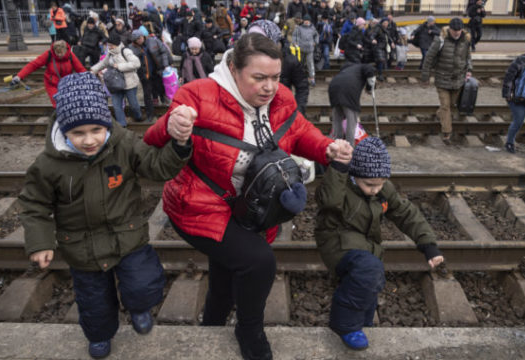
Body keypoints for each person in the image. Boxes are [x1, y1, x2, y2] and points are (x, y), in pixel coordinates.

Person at [143, 33, 349, 360]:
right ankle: (249, 331)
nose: (270, 87)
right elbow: (151, 139)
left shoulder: (281, 98)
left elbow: (299, 132)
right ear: (234, 69)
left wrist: (327, 148)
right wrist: (174, 125)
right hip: (199, 205)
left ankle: (211, 325)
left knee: (227, 271)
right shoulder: (197, 94)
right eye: (259, 78)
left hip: (251, 208)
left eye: (275, 77)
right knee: (258, 262)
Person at [19, 72, 193, 360]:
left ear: (106, 123)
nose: (89, 141)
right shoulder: (48, 164)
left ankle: (138, 308)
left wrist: (179, 146)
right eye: (78, 133)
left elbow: (155, 166)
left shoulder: (122, 143)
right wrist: (39, 242)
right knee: (93, 300)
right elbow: (34, 204)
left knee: (143, 282)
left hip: (128, 236)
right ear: (64, 130)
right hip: (81, 248)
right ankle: (99, 335)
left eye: (96, 130)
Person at [315, 136, 444, 351]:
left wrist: (428, 245)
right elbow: (328, 200)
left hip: (364, 244)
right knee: (369, 269)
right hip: (336, 240)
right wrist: (338, 167)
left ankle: (362, 322)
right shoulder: (341, 184)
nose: (376, 190)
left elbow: (405, 213)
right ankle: (346, 325)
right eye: (370, 185)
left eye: (381, 184)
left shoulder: (381, 188)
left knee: (370, 276)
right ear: (356, 175)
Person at [420, 18, 472, 143]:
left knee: (451, 105)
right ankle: (447, 133)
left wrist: (469, 69)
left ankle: (440, 115)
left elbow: (468, 57)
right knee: (445, 106)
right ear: (450, 29)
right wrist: (425, 77)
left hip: (458, 80)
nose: (457, 33)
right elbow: (428, 58)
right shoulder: (440, 40)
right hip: (442, 79)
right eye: (454, 31)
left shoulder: (465, 40)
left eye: (459, 30)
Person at [248, 19, 310, 115]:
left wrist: (298, 112)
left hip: (281, 113)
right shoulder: (249, 58)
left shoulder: (290, 61)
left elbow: (302, 87)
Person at [12, 40, 86, 108]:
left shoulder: (70, 55)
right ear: (54, 51)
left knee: (69, 103)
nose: (59, 55)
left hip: (66, 84)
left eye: (61, 53)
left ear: (66, 50)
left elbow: (80, 69)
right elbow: (33, 65)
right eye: (57, 53)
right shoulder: (49, 55)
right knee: (57, 103)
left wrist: (88, 78)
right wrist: (20, 75)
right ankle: (58, 118)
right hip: (52, 84)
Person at [91, 34, 143, 127]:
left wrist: (120, 66)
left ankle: (138, 116)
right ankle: (122, 124)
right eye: (108, 45)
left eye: (110, 45)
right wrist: (93, 69)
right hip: (115, 84)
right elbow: (103, 63)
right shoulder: (110, 53)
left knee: (133, 104)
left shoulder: (125, 51)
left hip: (129, 83)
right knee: (116, 105)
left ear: (116, 44)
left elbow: (136, 63)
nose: (109, 47)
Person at [329, 63, 376, 146]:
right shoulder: (363, 66)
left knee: (337, 120)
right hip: (348, 91)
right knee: (351, 122)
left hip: (333, 87)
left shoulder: (348, 69)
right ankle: (349, 148)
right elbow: (370, 70)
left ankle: (336, 146)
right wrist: (369, 88)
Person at [129, 30, 155, 122]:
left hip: (150, 72)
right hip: (141, 73)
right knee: (146, 94)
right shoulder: (132, 49)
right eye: (138, 39)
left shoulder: (147, 44)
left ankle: (150, 113)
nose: (140, 40)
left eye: (141, 37)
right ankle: (147, 114)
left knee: (149, 94)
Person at [292, 14, 319, 87]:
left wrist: (315, 42)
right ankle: (299, 78)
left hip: (310, 49)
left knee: (310, 64)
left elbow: (316, 35)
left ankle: (312, 78)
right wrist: (295, 43)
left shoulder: (313, 28)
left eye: (308, 20)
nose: (307, 22)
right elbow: (294, 36)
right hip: (301, 49)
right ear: (303, 21)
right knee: (300, 64)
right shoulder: (299, 28)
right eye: (306, 20)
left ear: (310, 21)